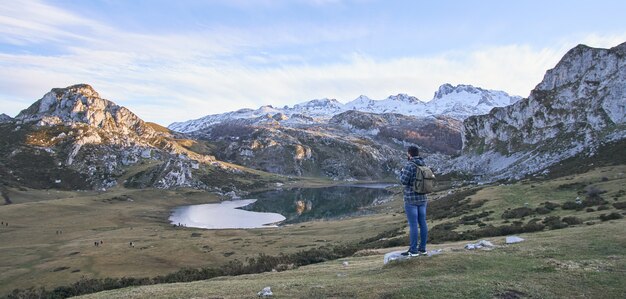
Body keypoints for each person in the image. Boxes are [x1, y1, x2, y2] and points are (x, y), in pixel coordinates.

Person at [399, 145, 428, 257]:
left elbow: (404, 181)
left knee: (413, 224)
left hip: (411, 199)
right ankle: (423, 249)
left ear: (409, 154)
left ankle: (413, 250)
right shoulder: (423, 164)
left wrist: (401, 172)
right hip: (423, 198)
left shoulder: (409, 165)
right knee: (423, 223)